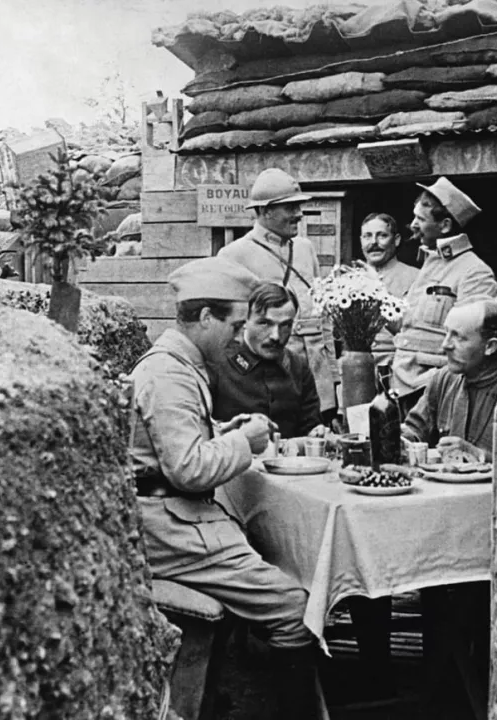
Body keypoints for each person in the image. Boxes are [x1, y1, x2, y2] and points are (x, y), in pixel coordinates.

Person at [128, 257, 320, 719]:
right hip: (168, 526)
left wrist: (221, 429)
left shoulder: (176, 362)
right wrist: (243, 441)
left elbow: (174, 442)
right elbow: (188, 470)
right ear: (206, 317)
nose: (239, 338)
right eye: (234, 326)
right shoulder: (170, 373)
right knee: (296, 608)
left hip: (171, 517)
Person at [218, 168, 339, 417]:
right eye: (290, 208)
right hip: (272, 379)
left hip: (317, 377)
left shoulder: (305, 249)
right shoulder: (233, 255)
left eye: (298, 207)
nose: (299, 214)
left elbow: (322, 314)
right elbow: (228, 327)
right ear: (264, 210)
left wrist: (334, 376)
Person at [391, 177, 497, 414]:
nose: (412, 225)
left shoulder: (474, 272)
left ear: (446, 226)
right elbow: (410, 328)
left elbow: (473, 343)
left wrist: (441, 385)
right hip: (402, 385)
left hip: (436, 388)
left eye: (420, 219)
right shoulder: (430, 263)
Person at [402, 297, 497, 459]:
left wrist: (480, 455)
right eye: (447, 333)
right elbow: (415, 431)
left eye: (458, 337)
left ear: (490, 346)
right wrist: (399, 437)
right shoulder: (444, 379)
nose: (445, 345)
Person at [209, 281, 327, 440]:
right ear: (245, 321)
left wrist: (316, 432)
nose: (276, 336)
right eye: (265, 323)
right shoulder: (217, 365)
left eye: (285, 325)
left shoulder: (298, 367)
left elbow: (309, 428)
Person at [355, 213, 418, 368]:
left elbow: (413, 329)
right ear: (361, 241)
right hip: (356, 366)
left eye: (382, 236)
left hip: (399, 365)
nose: (373, 243)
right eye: (367, 236)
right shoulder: (350, 280)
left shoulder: (416, 277)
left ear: (396, 240)